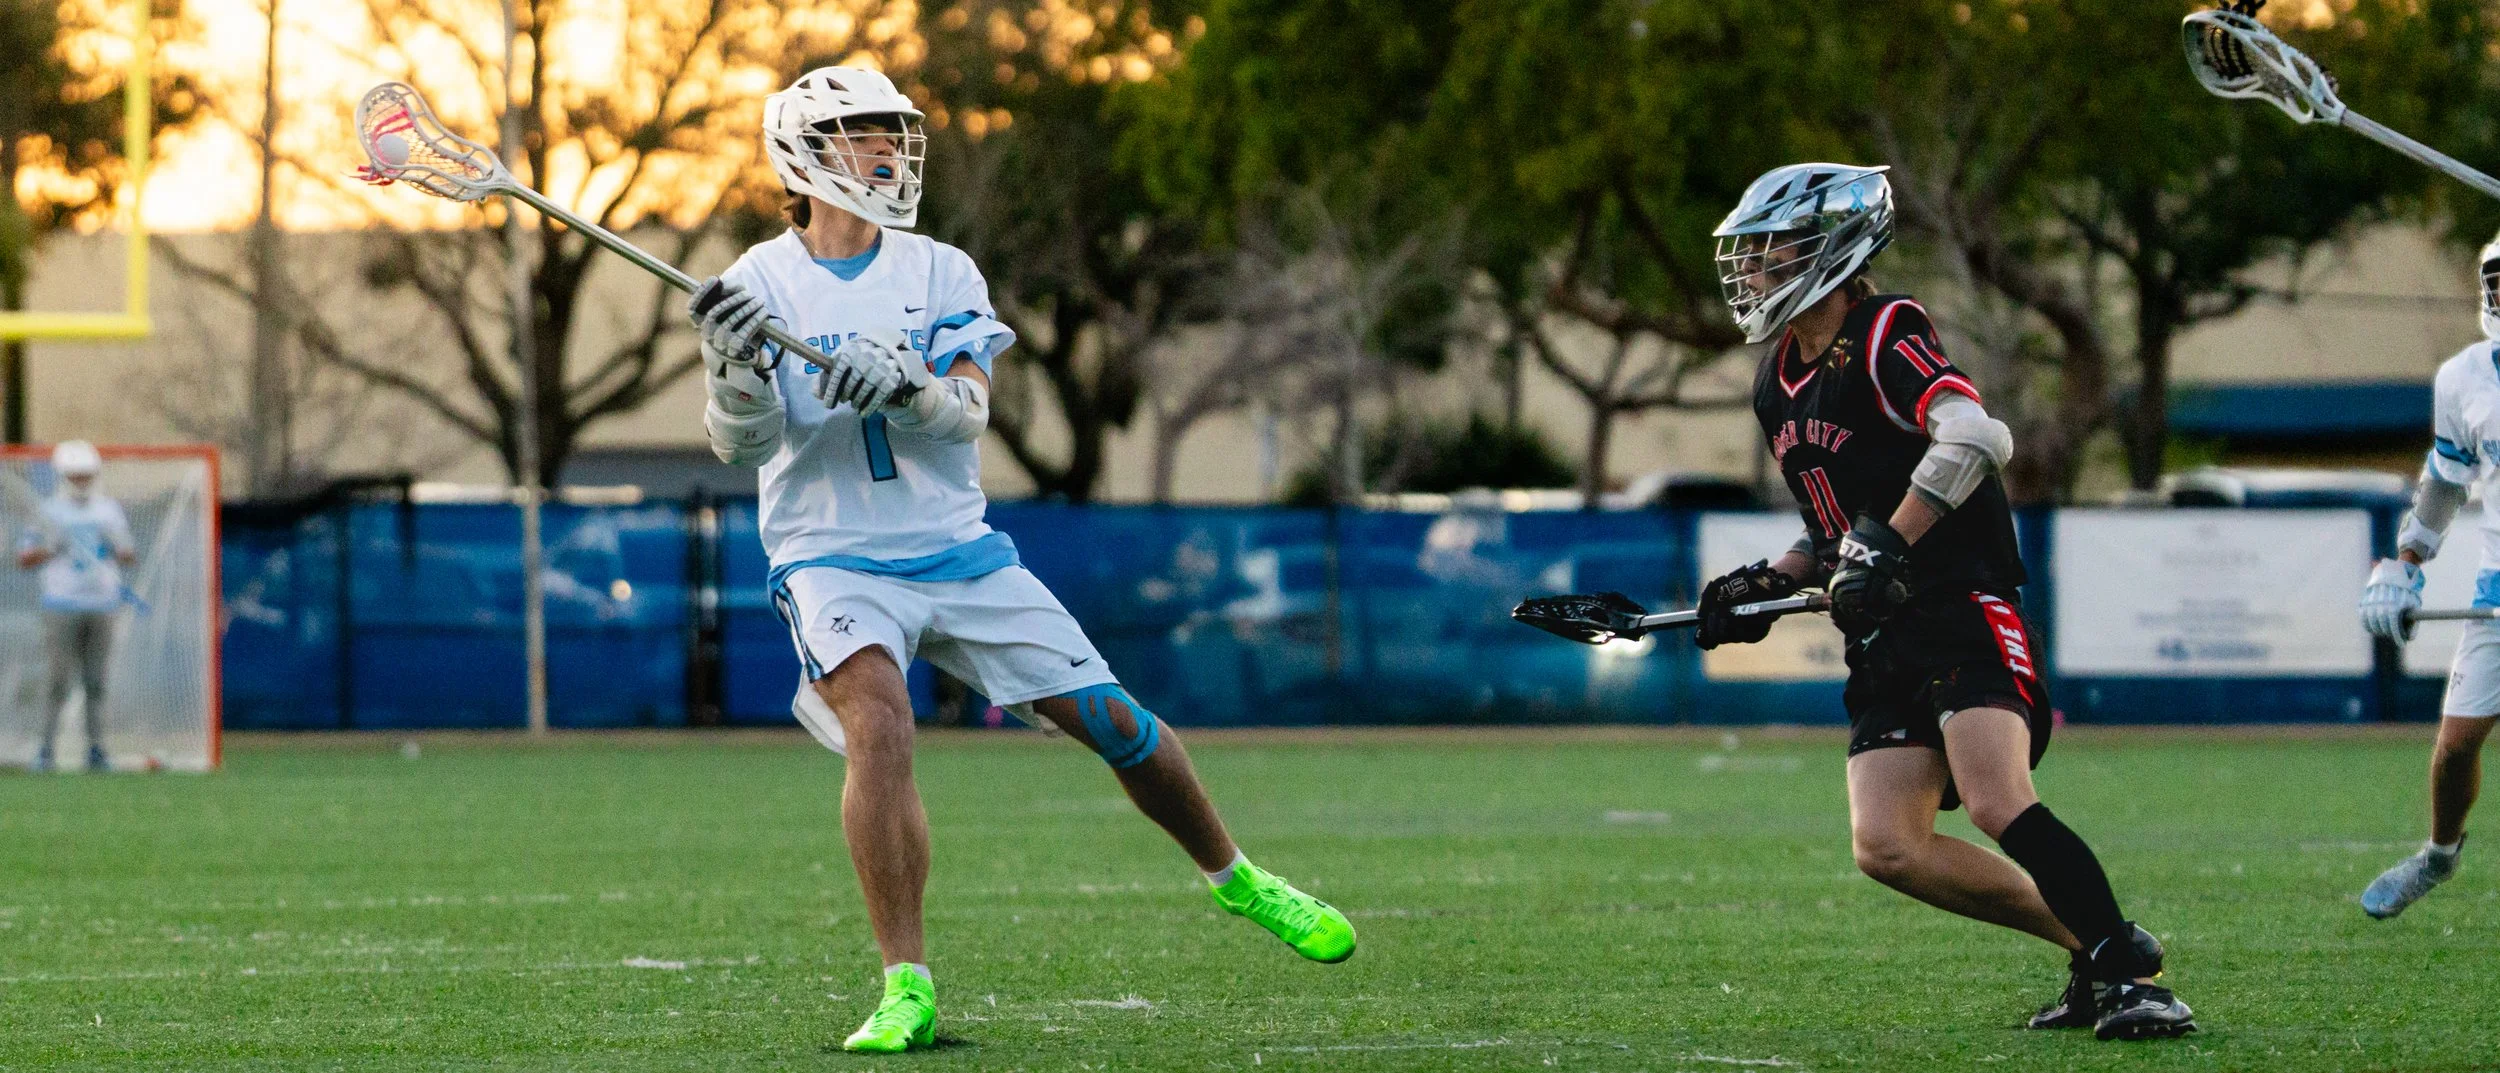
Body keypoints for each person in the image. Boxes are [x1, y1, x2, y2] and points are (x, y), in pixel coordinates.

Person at [683, 67, 1355, 1054]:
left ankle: (1238, 876)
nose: (886, 152)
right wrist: (731, 364)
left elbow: (967, 409)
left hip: (959, 549)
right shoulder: (753, 284)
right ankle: (905, 982)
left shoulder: (940, 271)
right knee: (879, 719)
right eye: (860, 136)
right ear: (803, 156)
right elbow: (744, 446)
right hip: (831, 555)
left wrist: (908, 387)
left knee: (1117, 722)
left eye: (892, 134)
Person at [1693, 163, 2194, 1040]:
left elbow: (1974, 435)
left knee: (1998, 798)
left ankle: (2139, 981)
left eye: (1774, 248)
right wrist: (1761, 585)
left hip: (1959, 602)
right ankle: (2098, 946)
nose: (1758, 267)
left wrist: (1889, 541)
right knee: (1887, 844)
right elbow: (1830, 535)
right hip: (1885, 631)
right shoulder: (1778, 381)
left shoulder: (1887, 328)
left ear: (1830, 249)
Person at [2354, 230, 2500, 919]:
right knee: (2453, 749)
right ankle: (2439, 856)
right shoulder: (2465, 377)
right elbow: (2446, 480)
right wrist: (2409, 557)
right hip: (2497, 591)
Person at [11, 440, 136, 773]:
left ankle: (96, 750)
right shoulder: (48, 512)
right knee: (58, 681)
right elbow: (24, 558)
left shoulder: (108, 510)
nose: (82, 481)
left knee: (97, 681)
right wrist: (51, 549)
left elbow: (128, 554)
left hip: (102, 604)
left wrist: (114, 546)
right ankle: (46, 750)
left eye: (86, 475)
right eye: (76, 476)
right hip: (61, 605)